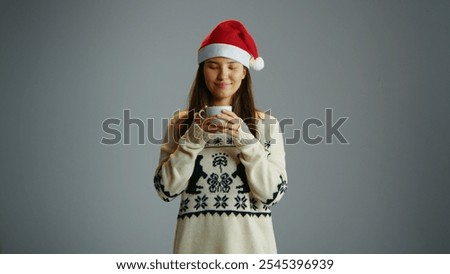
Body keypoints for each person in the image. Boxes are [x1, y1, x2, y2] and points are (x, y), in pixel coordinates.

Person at [153, 19, 288, 253]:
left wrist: (246, 141)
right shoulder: (181, 123)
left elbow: (272, 194)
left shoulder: (266, 125)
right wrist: (193, 138)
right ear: (202, 70)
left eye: (232, 66)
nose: (222, 75)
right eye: (213, 65)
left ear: (244, 72)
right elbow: (165, 189)